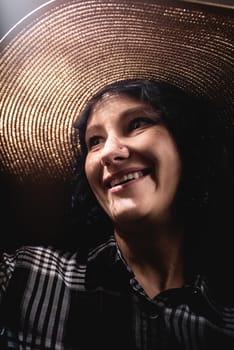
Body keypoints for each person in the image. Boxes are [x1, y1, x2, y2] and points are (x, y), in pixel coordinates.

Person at [0, 0, 233, 350]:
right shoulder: (23, 277)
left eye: (137, 123)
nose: (109, 152)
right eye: (94, 141)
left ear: (186, 144)